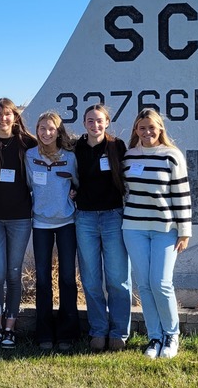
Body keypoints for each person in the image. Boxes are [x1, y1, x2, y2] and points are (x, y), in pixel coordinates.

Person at [122, 108, 192, 359]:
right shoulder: (128, 157)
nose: (147, 132)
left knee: (160, 283)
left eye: (152, 127)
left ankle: (172, 336)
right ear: (136, 130)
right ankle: (155, 337)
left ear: (160, 128)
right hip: (133, 228)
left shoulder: (172, 156)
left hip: (165, 229)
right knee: (144, 284)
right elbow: (122, 192)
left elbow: (182, 194)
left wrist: (184, 231)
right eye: (142, 128)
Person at [0, 97, 37, 349]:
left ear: (16, 117)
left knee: (14, 275)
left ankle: (10, 328)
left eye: (8, 114)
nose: (3, 118)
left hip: (20, 219)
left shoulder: (29, 143)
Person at [73, 103, 131, 351]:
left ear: (107, 122)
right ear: (84, 123)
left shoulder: (116, 146)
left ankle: (119, 331)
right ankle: (98, 329)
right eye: (90, 120)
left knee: (118, 278)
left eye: (99, 120)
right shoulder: (75, 147)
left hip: (113, 217)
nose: (95, 125)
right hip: (84, 218)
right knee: (91, 278)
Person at [25, 111, 80, 350]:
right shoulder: (29, 156)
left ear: (59, 131)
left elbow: (78, 184)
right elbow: (27, 185)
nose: (46, 133)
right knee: (43, 279)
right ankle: (44, 333)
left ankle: (67, 333)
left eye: (51, 129)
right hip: (40, 224)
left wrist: (74, 193)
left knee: (68, 278)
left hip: (67, 222)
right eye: (42, 128)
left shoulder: (70, 157)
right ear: (36, 130)